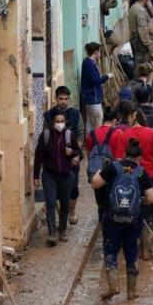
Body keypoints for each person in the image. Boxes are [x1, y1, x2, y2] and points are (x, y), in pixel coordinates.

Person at [91, 138, 153, 301]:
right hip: (133, 219)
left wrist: (100, 170)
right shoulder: (141, 172)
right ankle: (132, 291)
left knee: (110, 249)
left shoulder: (113, 167)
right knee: (131, 252)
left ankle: (113, 284)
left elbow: (95, 184)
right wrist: (138, 202)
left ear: (124, 154)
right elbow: (151, 198)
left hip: (112, 217)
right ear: (139, 158)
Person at [121, 101, 153, 260]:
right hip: (151, 177)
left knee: (131, 210)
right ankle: (147, 251)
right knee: (147, 213)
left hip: (130, 177)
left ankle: (131, 249)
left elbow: (120, 160)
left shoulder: (124, 135)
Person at [33, 112, 81, 245]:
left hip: (66, 175)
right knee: (51, 203)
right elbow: (39, 156)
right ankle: (52, 233)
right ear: (53, 122)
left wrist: (72, 153)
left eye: (62, 121)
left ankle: (63, 230)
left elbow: (78, 152)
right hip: (49, 175)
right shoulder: (46, 135)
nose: (60, 123)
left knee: (65, 204)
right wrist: (36, 175)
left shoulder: (69, 135)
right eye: (57, 121)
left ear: (65, 122)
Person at [44, 86, 84, 225]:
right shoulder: (48, 116)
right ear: (56, 98)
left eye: (66, 99)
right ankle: (61, 215)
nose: (63, 102)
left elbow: (80, 134)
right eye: (61, 99)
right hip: (53, 160)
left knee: (73, 189)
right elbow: (45, 137)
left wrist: (76, 153)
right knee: (54, 190)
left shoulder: (75, 114)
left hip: (71, 159)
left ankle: (71, 211)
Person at [85, 110, 124, 219]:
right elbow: (119, 158)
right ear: (114, 120)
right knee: (112, 202)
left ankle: (102, 223)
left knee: (100, 202)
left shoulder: (91, 134)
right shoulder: (118, 133)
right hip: (112, 173)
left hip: (95, 173)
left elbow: (90, 155)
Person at [80, 42, 112, 134]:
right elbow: (96, 81)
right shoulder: (91, 65)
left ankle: (90, 143)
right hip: (93, 98)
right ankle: (98, 144)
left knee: (89, 123)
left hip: (88, 97)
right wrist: (107, 76)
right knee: (98, 124)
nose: (100, 53)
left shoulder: (85, 61)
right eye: (99, 51)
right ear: (95, 52)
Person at [129, 0, 153, 71]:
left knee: (138, 64)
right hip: (140, 42)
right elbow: (142, 30)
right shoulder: (141, 10)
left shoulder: (133, 7)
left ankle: (137, 81)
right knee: (142, 67)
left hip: (134, 39)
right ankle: (139, 82)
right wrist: (149, 44)